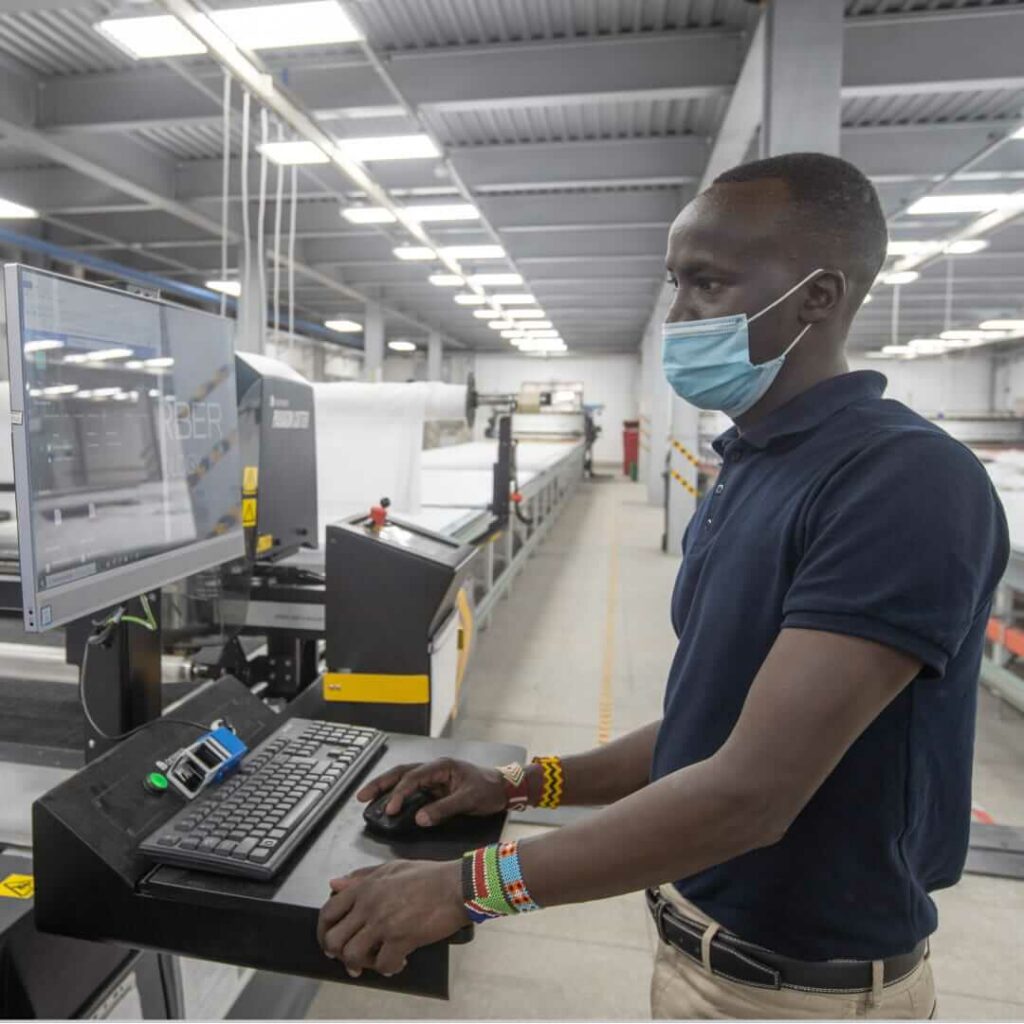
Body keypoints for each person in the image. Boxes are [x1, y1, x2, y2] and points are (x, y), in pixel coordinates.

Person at [317, 153, 1009, 1020]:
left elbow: (749, 796)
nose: (679, 314)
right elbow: (709, 726)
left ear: (818, 296)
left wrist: (469, 887)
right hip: (700, 949)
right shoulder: (752, 466)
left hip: (800, 995)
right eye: (674, 284)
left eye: (708, 284)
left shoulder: (899, 482)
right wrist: (526, 785)